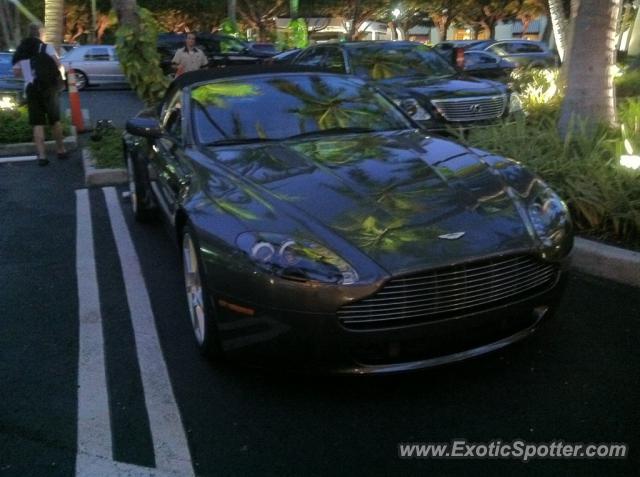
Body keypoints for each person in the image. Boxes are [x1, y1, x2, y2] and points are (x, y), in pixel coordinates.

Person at [12, 23, 67, 166]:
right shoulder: (45, 47)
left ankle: (42, 156)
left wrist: (28, 71)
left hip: (31, 87)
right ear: (40, 33)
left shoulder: (22, 49)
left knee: (37, 123)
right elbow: (58, 65)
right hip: (48, 88)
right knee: (55, 120)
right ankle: (60, 150)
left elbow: (17, 73)